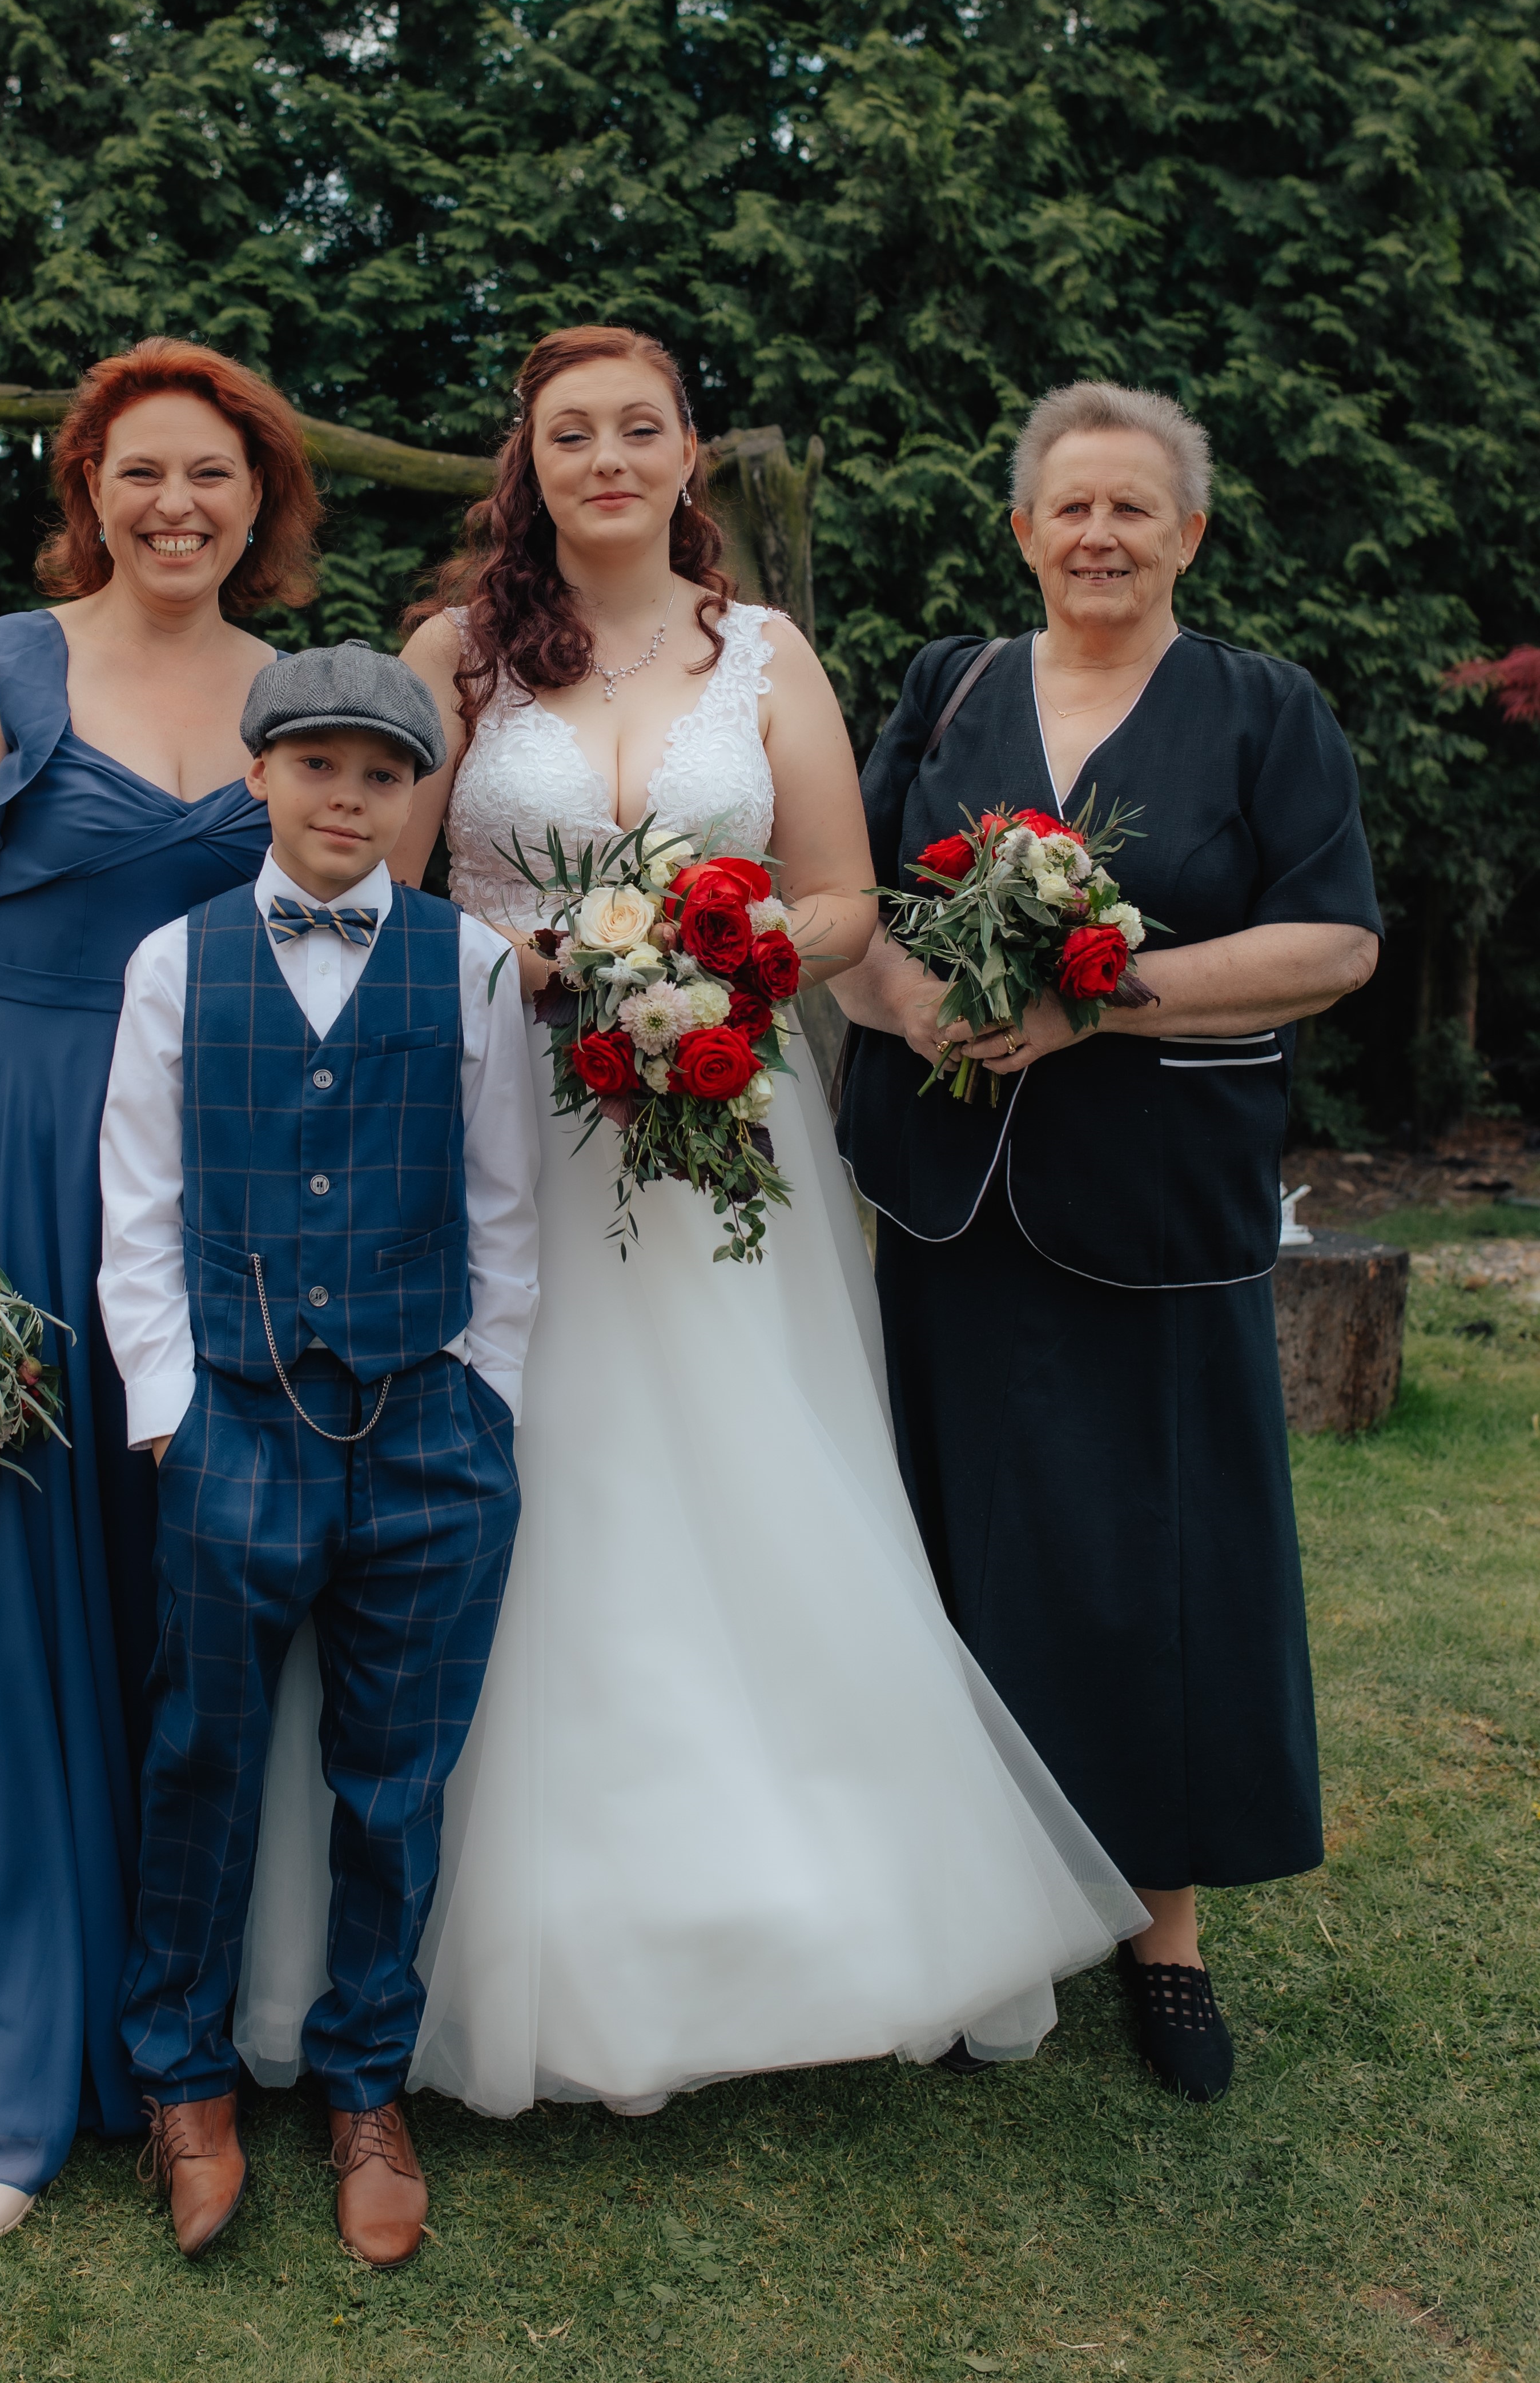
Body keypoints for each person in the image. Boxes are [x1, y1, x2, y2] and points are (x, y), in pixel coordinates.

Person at [231, 324, 1141, 2123]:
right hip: (504, 1115)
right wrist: (541, 959)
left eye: (637, 428)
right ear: (531, 464)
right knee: (518, 1476)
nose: (606, 459)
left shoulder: (768, 655)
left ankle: (796, 1913)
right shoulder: (457, 656)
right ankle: (481, 1933)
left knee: (749, 1467)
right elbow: (371, 887)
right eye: (570, 433)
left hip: (727, 1121)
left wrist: (722, 952)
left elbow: (841, 893)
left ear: (686, 455)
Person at [835, 378, 1382, 2103]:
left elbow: (1334, 943)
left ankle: (1166, 1935)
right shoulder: (950, 685)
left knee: (1165, 1562)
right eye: (1068, 506)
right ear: (1022, 531)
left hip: (1158, 1200)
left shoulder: (1264, 707)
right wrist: (914, 1002)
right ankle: (979, 1925)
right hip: (948, 1195)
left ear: (1188, 535)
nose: (1098, 535)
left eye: (1133, 507)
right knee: (958, 1546)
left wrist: (1102, 1000)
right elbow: (849, 899)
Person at [0, 336, 321, 2242]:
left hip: (227, 1172)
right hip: (32, 1143)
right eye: (141, 472)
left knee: (201, 1581)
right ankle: (15, 2038)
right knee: (16, 1583)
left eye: (211, 473)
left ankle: (199, 2015)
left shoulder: (295, 690)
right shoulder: (6, 668)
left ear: (259, 498)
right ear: (89, 491)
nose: (175, 504)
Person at [96, 643, 539, 2265]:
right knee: (201, 1757)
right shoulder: (175, 963)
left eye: (380, 775)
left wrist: (486, 1396)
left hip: (430, 1430)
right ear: (260, 779)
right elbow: (138, 1211)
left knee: (395, 1782)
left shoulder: (471, 968)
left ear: (416, 797)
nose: (348, 798)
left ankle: (365, 2085)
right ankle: (184, 2080)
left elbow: (505, 1207)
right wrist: (171, 1411)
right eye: (316, 767)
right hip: (234, 1421)